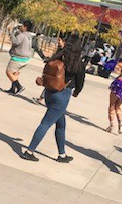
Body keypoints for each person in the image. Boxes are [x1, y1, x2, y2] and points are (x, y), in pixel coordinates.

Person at [21, 34, 86, 163]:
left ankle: (62, 154)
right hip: (62, 95)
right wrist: (77, 92)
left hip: (49, 92)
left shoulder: (58, 56)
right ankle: (29, 151)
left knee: (61, 124)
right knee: (45, 123)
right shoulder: (78, 63)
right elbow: (80, 83)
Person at [6, 20, 35, 95]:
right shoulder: (29, 36)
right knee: (15, 73)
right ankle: (13, 89)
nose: (20, 27)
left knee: (9, 72)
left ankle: (19, 87)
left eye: (22, 26)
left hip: (18, 57)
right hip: (26, 58)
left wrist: (10, 32)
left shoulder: (22, 35)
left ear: (25, 27)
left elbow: (15, 41)